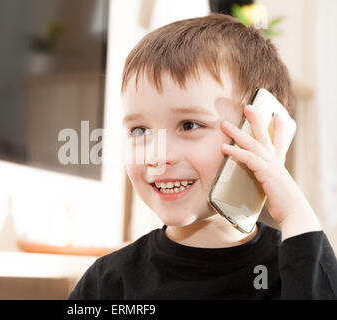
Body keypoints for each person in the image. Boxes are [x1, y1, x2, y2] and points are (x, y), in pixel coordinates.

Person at [68, 13, 337, 299]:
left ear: (263, 136)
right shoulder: (108, 282)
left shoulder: (292, 273)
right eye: (139, 130)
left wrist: (296, 213)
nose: (157, 156)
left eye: (189, 125)